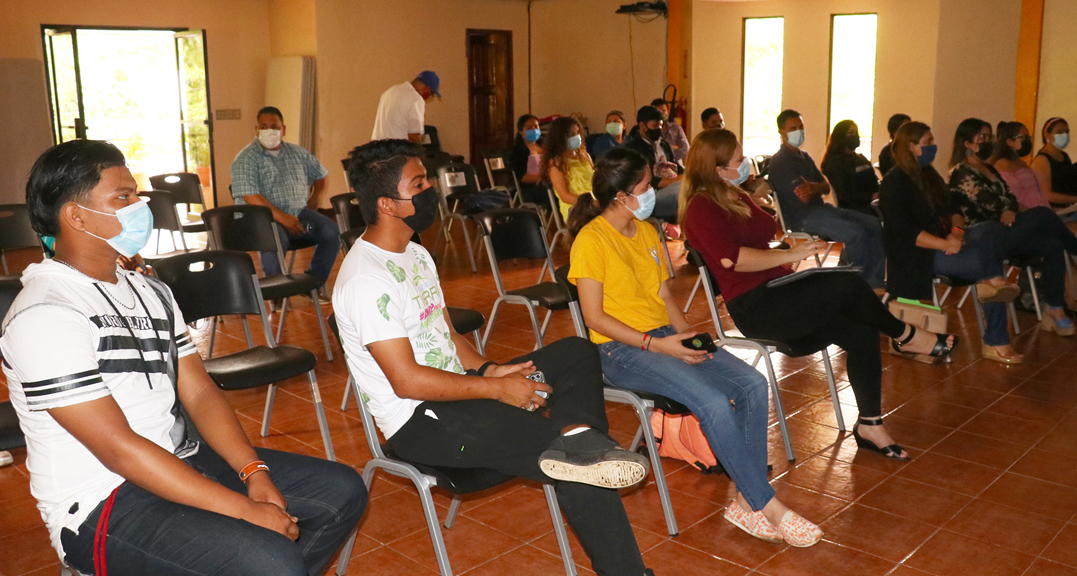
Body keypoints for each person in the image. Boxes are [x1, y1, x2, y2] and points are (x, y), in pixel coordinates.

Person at [2, 140, 367, 576]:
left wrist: (253, 471)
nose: (140, 206)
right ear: (76, 216)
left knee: (342, 491)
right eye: (124, 197)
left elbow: (198, 389)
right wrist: (244, 511)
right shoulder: (45, 313)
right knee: (271, 561)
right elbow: (117, 448)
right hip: (101, 502)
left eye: (136, 193)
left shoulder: (148, 289)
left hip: (180, 458)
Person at [334, 139, 655, 576]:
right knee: (578, 465)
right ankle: (586, 459)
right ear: (389, 204)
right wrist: (497, 389)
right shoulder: (365, 280)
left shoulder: (415, 253)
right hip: (421, 421)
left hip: (464, 392)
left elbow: (445, 333)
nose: (433, 190)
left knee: (578, 352)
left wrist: (489, 368)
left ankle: (580, 434)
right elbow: (407, 381)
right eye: (420, 183)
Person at [567, 146, 822, 548]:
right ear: (621, 196)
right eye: (647, 186)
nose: (654, 193)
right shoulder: (591, 240)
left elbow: (665, 295)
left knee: (752, 384)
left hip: (663, 334)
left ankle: (744, 500)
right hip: (619, 350)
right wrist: (659, 345)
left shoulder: (647, 232)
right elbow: (594, 319)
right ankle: (766, 504)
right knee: (714, 402)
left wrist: (689, 337)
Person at [681, 129, 950, 462]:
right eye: (738, 160)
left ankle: (870, 425)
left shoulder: (731, 192)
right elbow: (731, 260)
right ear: (717, 168)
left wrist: (787, 251)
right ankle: (905, 334)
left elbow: (763, 233)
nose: (745, 163)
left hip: (778, 292)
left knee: (861, 328)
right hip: (758, 308)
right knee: (848, 284)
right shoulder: (701, 206)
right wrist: (790, 256)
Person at [879, 121, 1025, 363]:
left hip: (948, 239)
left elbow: (954, 207)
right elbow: (905, 232)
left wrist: (956, 232)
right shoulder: (895, 182)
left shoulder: (929, 174)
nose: (934, 147)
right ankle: (996, 340)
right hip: (921, 253)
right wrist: (945, 244)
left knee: (990, 229)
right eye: (928, 143)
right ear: (912, 147)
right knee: (990, 268)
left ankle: (994, 284)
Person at [948, 117, 1077, 336]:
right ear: (968, 143)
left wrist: (1008, 208)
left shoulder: (989, 168)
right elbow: (986, 202)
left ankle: (1055, 308)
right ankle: (1076, 248)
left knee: (1053, 245)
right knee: (1043, 214)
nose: (988, 141)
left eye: (989, 137)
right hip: (985, 235)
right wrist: (1006, 209)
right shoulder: (961, 172)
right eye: (982, 137)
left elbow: (1008, 196)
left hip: (1006, 228)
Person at [769, 109, 886, 288]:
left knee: (873, 224)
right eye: (793, 128)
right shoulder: (780, 162)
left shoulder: (804, 157)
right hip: (802, 218)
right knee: (856, 233)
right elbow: (804, 198)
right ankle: (852, 285)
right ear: (781, 132)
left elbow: (825, 187)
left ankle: (874, 283)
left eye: (801, 127)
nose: (799, 132)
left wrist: (814, 187)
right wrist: (814, 189)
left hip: (822, 210)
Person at [230, 106, 337, 291]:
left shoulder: (298, 153)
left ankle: (313, 284)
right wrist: (282, 218)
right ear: (256, 129)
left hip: (298, 218)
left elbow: (321, 174)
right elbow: (250, 195)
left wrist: (315, 198)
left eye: (274, 126)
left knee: (330, 231)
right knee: (274, 238)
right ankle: (278, 292)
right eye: (263, 127)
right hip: (262, 222)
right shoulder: (245, 158)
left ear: (284, 129)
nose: (269, 131)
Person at [624, 105, 683, 222]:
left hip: (672, 189)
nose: (659, 129)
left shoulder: (664, 145)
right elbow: (644, 180)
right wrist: (677, 181)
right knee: (681, 188)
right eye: (655, 126)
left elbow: (678, 168)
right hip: (649, 197)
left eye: (661, 125)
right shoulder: (633, 149)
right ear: (642, 126)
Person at [821, 120, 879, 215]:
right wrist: (870, 196)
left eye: (856, 132)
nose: (855, 136)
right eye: (851, 133)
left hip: (872, 204)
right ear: (841, 136)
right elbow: (844, 195)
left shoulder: (861, 158)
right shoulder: (834, 164)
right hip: (855, 209)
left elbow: (874, 181)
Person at [543, 116, 595, 224]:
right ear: (560, 138)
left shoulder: (585, 156)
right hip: (575, 209)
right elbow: (565, 196)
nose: (577, 137)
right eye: (571, 135)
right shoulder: (556, 163)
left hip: (594, 203)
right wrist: (591, 203)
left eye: (577, 133)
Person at [993, 121, 1048, 211]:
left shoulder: (1021, 162)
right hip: (1024, 214)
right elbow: (1010, 194)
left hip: (1039, 209)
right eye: (1022, 137)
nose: (1027, 141)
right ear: (1010, 142)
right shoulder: (1003, 164)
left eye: (1028, 137)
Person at [371, 70, 440, 143]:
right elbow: (415, 136)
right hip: (397, 150)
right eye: (431, 94)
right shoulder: (416, 99)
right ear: (427, 89)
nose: (429, 97)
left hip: (377, 148)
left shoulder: (390, 92)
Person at [1031, 117, 1077, 208]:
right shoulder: (1042, 160)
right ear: (1047, 135)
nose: (1065, 135)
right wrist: (1076, 200)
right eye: (1060, 132)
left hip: (1070, 207)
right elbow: (1046, 195)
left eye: (1067, 132)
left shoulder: (1064, 156)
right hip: (1054, 211)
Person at [510, 114, 548, 205]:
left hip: (547, 183)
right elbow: (522, 177)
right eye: (529, 127)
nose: (534, 130)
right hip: (530, 188)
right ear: (521, 131)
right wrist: (543, 179)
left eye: (536, 126)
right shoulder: (519, 150)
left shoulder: (544, 146)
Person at [651, 98, 690, 163]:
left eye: (664, 111)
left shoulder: (676, 128)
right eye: (659, 112)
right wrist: (673, 149)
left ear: (668, 111)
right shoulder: (649, 130)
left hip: (676, 166)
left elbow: (685, 148)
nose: (662, 114)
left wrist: (668, 157)